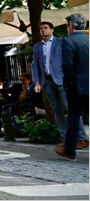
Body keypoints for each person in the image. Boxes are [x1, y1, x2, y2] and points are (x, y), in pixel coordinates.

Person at [33, 21, 88, 147]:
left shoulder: (62, 42)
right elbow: (35, 65)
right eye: (41, 28)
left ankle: (81, 138)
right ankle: (65, 138)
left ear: (52, 30)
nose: (43, 30)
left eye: (45, 28)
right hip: (46, 81)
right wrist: (37, 82)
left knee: (70, 108)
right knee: (57, 111)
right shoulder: (37, 47)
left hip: (62, 80)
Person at [56, 14, 90, 161]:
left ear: (71, 25)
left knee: (73, 117)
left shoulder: (68, 41)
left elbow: (67, 65)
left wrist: (68, 83)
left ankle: (69, 150)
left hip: (77, 86)